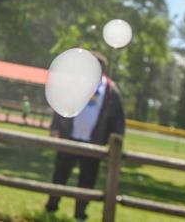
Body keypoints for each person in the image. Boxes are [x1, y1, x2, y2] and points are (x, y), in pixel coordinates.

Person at [45, 52, 125, 222]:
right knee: (60, 174)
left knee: (88, 179)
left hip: (94, 143)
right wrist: (55, 128)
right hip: (70, 138)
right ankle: (51, 207)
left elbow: (118, 120)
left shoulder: (111, 90)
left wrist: (116, 143)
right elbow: (60, 105)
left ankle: (80, 213)